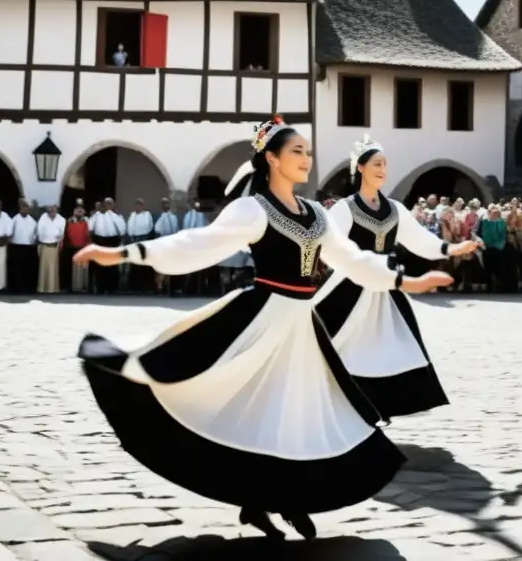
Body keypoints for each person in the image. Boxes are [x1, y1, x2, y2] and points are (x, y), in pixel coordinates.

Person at [73, 117, 452, 541]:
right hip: (261, 318)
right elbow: (196, 245)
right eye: (296, 151)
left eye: (308, 152)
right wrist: (126, 252)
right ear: (271, 158)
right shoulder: (254, 209)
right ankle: (266, 499)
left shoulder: (315, 214)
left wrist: (408, 281)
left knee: (294, 413)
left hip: (302, 327)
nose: (306, 159)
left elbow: (351, 258)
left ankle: (277, 500)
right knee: (250, 408)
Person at [315, 135, 480, 420]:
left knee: (392, 348)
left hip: (387, 287)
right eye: (376, 164)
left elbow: (420, 241)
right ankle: (335, 404)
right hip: (350, 286)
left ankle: (378, 405)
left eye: (385, 164)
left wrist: (453, 248)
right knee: (344, 346)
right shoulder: (346, 208)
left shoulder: (395, 209)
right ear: (361, 168)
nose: (382, 169)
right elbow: (330, 245)